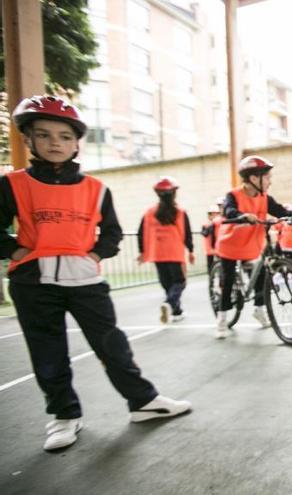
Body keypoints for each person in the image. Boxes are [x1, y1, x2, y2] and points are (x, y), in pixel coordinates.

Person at [0, 95, 190, 451]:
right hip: (32, 283)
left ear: (76, 143)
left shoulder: (97, 189)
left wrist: (95, 254)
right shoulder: (12, 185)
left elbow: (114, 233)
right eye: (44, 134)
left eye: (64, 136)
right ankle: (63, 416)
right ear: (29, 139)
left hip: (86, 281)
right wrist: (11, 249)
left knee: (112, 344)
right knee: (48, 352)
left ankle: (143, 402)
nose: (55, 142)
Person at [214, 155, 292, 339]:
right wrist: (242, 215)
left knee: (261, 276)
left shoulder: (265, 198)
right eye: (267, 177)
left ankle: (259, 309)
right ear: (254, 178)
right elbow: (229, 210)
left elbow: (280, 209)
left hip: (251, 245)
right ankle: (222, 319)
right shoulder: (233, 195)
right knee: (228, 279)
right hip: (230, 246)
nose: (270, 182)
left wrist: (291, 215)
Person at [137, 176, 195, 323]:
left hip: (157, 254)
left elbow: (141, 233)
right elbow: (187, 233)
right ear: (174, 193)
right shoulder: (180, 212)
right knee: (180, 282)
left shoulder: (149, 213)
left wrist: (142, 252)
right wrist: (191, 250)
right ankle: (169, 304)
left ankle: (176, 312)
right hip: (174, 253)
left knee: (167, 284)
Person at [201, 204, 221, 271]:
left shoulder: (220, 223)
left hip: (218, 247)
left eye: (216, 214)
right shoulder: (205, 225)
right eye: (211, 214)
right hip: (209, 249)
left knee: (221, 264)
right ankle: (211, 278)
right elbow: (205, 234)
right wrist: (210, 226)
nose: (213, 216)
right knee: (210, 265)